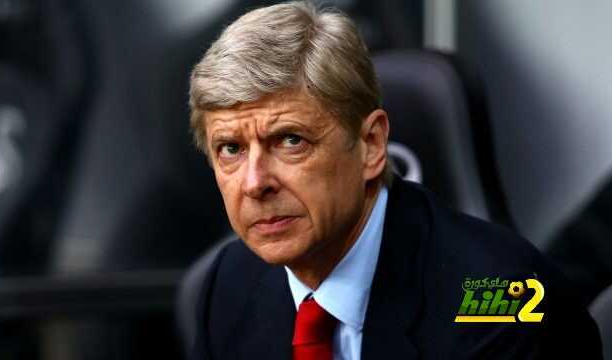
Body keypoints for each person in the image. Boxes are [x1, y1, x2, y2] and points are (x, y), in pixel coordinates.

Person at [181, 2, 602, 359]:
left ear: (371, 144)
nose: (255, 183)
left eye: (291, 140)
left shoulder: (501, 307)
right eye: (230, 149)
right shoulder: (229, 284)